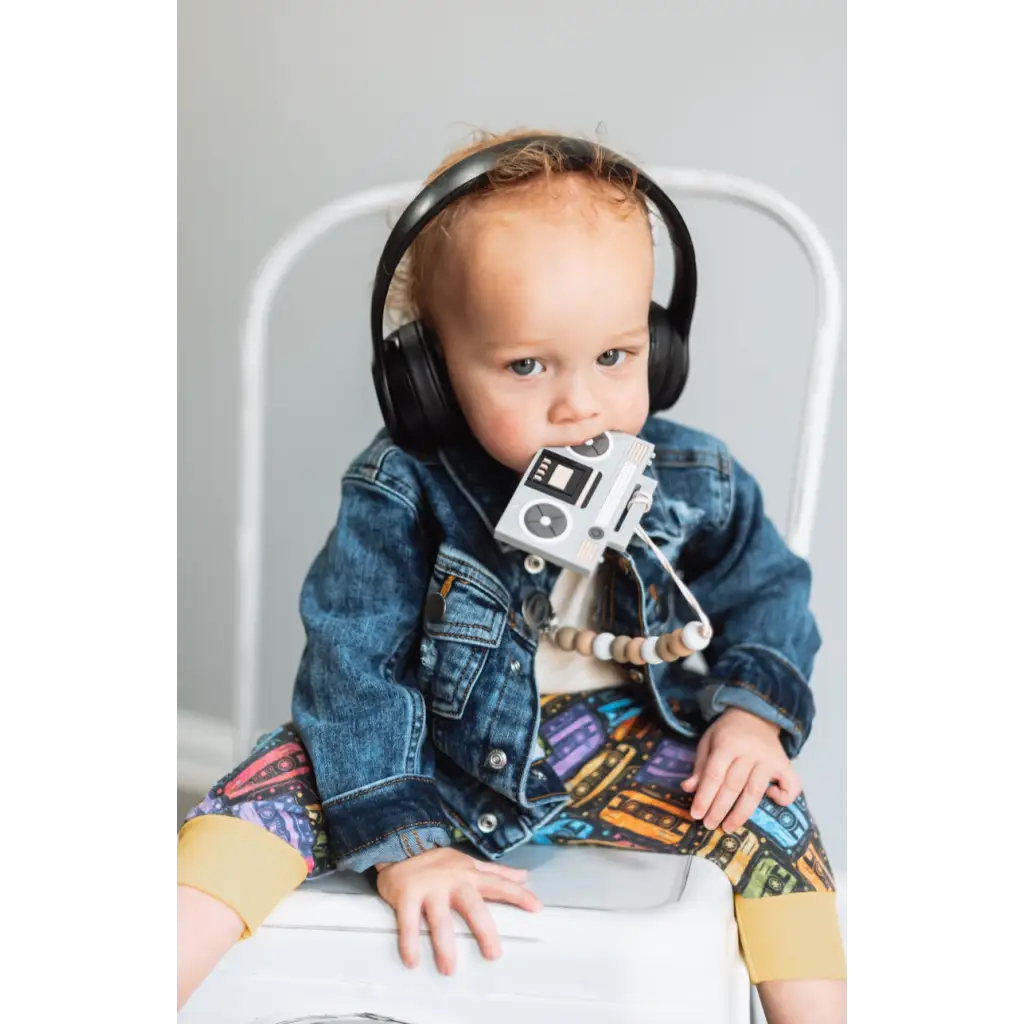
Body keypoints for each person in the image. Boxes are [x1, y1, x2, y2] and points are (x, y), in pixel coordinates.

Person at [176, 129, 848, 1022]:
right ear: (431, 376)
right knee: (255, 791)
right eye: (527, 365)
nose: (579, 403)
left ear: (660, 346)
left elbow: (768, 592)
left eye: (614, 357)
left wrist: (752, 716)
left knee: (768, 813)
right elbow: (354, 665)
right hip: (426, 746)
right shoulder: (402, 486)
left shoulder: (694, 476)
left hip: (621, 742)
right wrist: (402, 839)